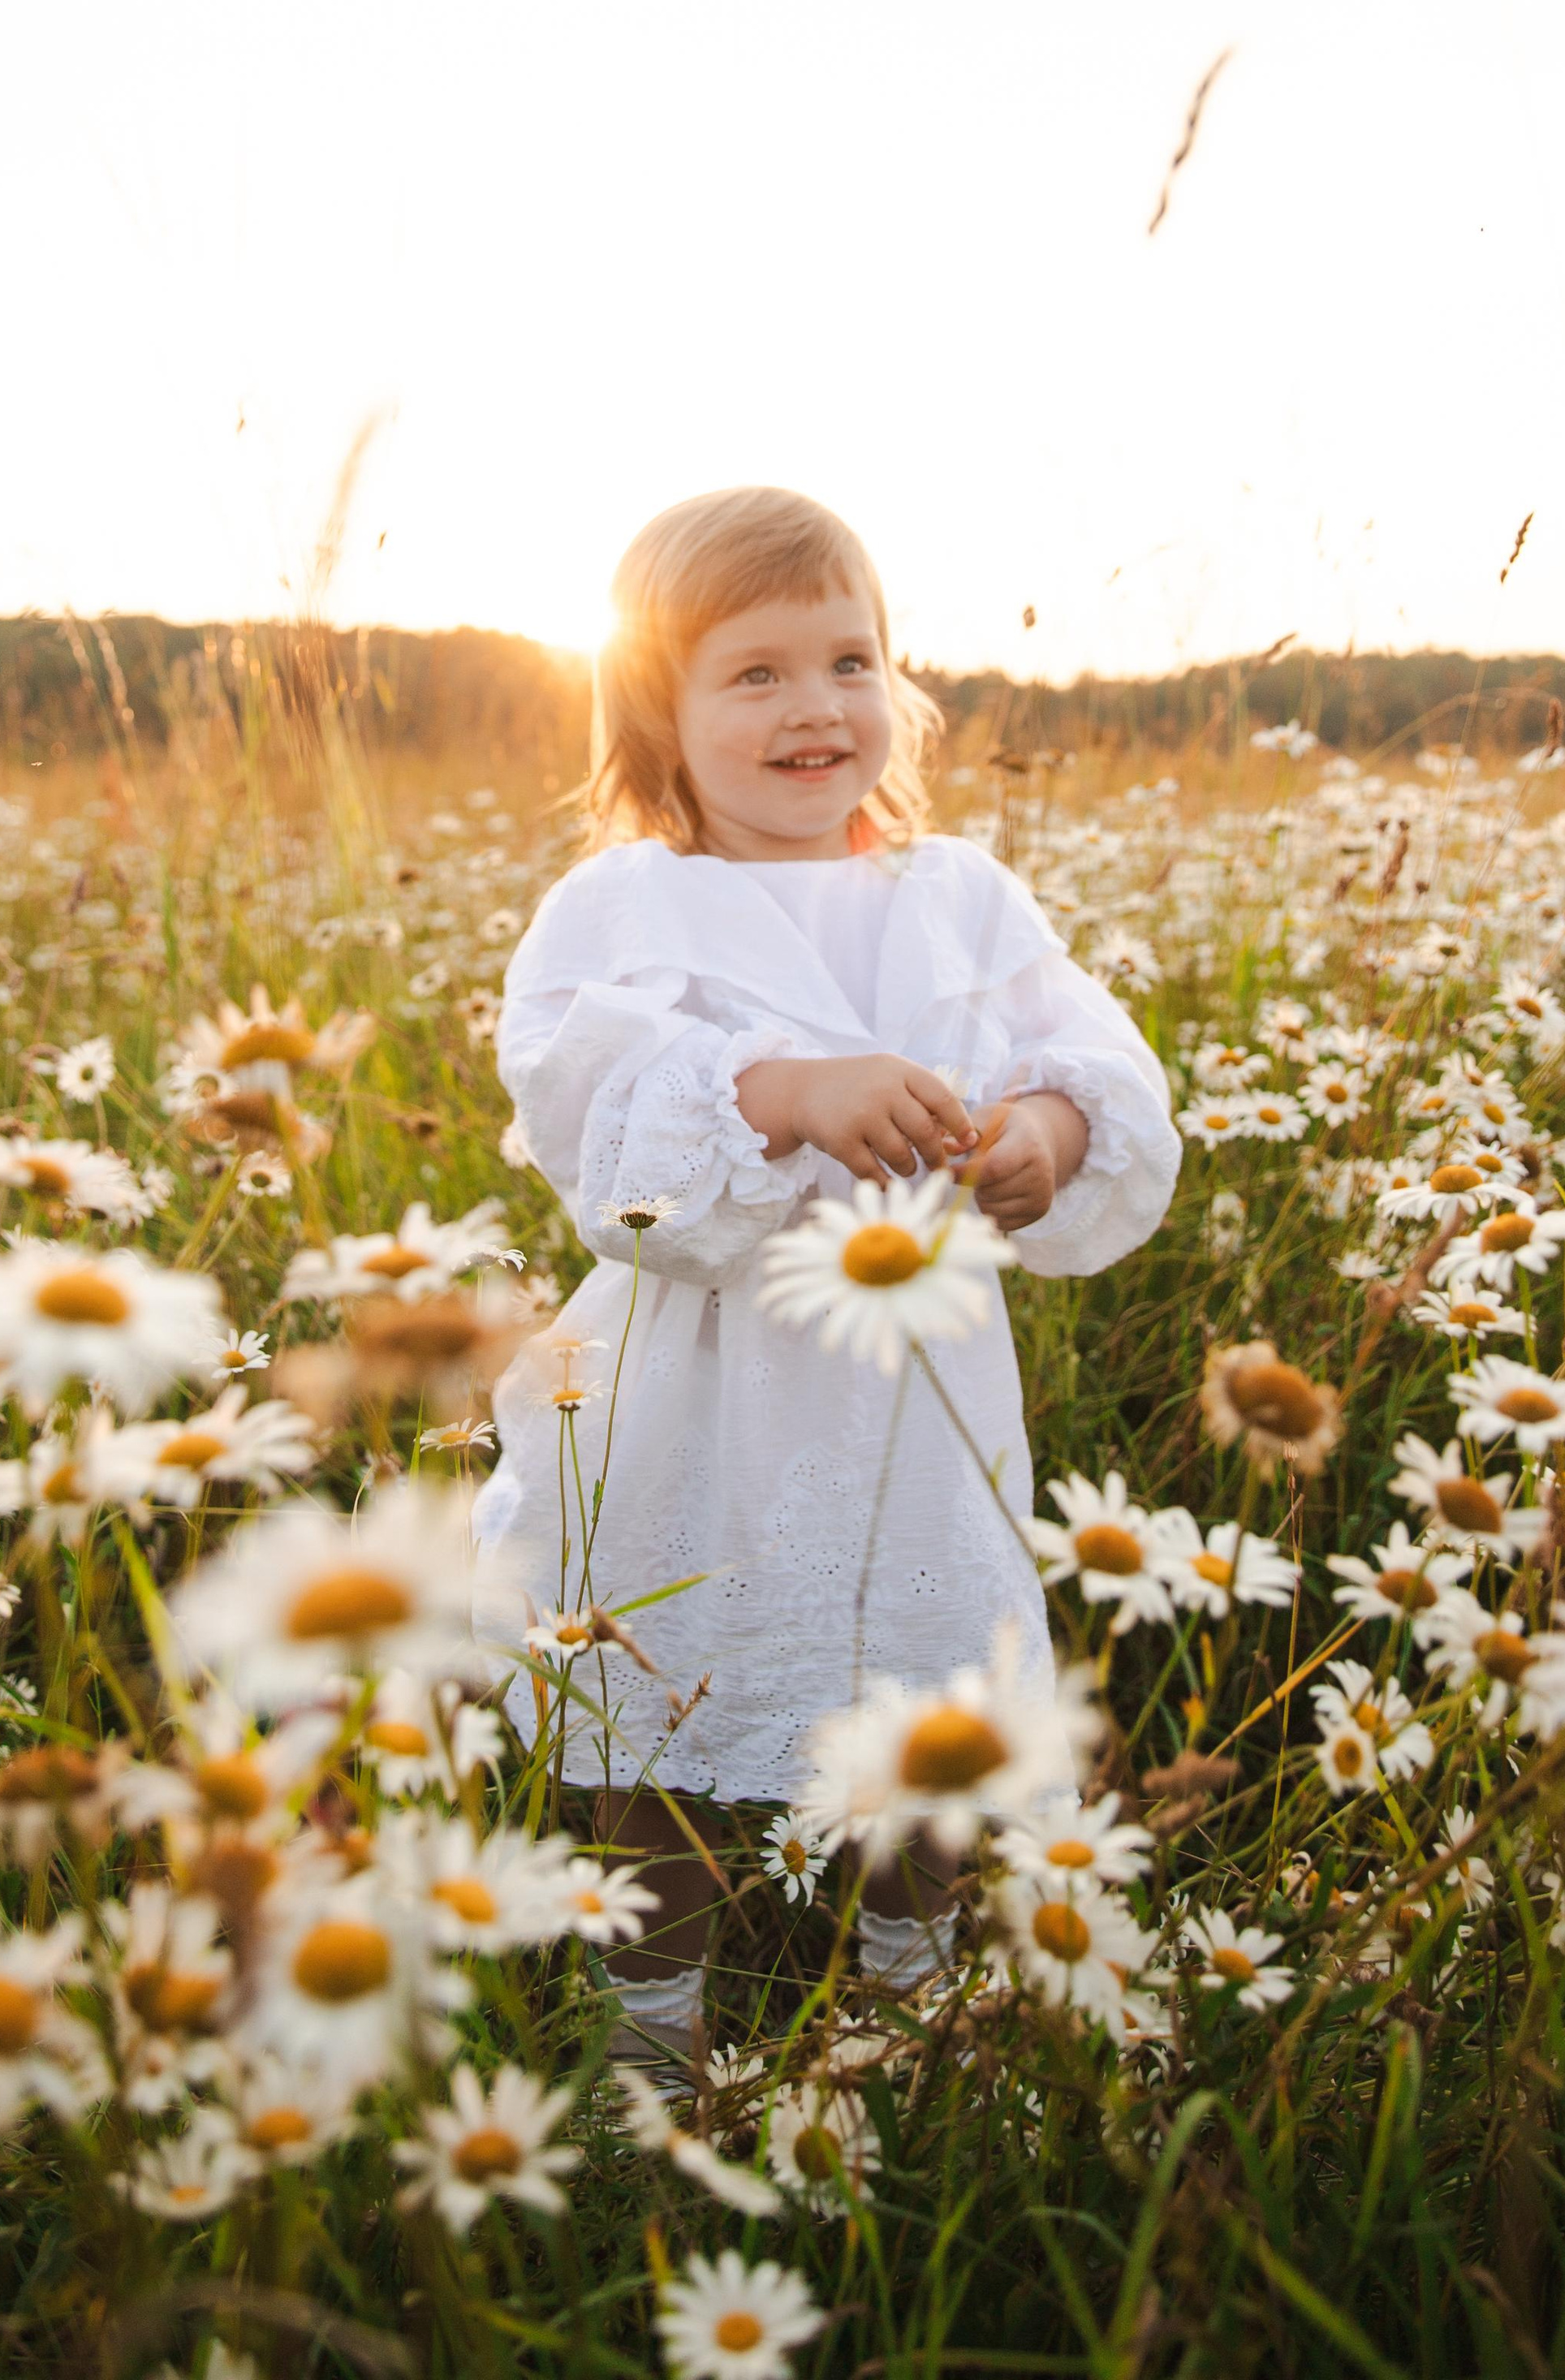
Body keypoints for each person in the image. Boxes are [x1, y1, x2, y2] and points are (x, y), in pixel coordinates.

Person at [471, 485, 1179, 2076]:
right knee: (656, 1706)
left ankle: (900, 1988)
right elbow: (584, 1113)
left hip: (912, 1394)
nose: (814, 707)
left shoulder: (959, 896)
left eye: (847, 661)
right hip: (697, 1387)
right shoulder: (625, 904)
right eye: (755, 673)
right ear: (655, 707)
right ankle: (653, 2028)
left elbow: (1083, 1047)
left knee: (919, 1692)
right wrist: (781, 1093)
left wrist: (1046, 1134)